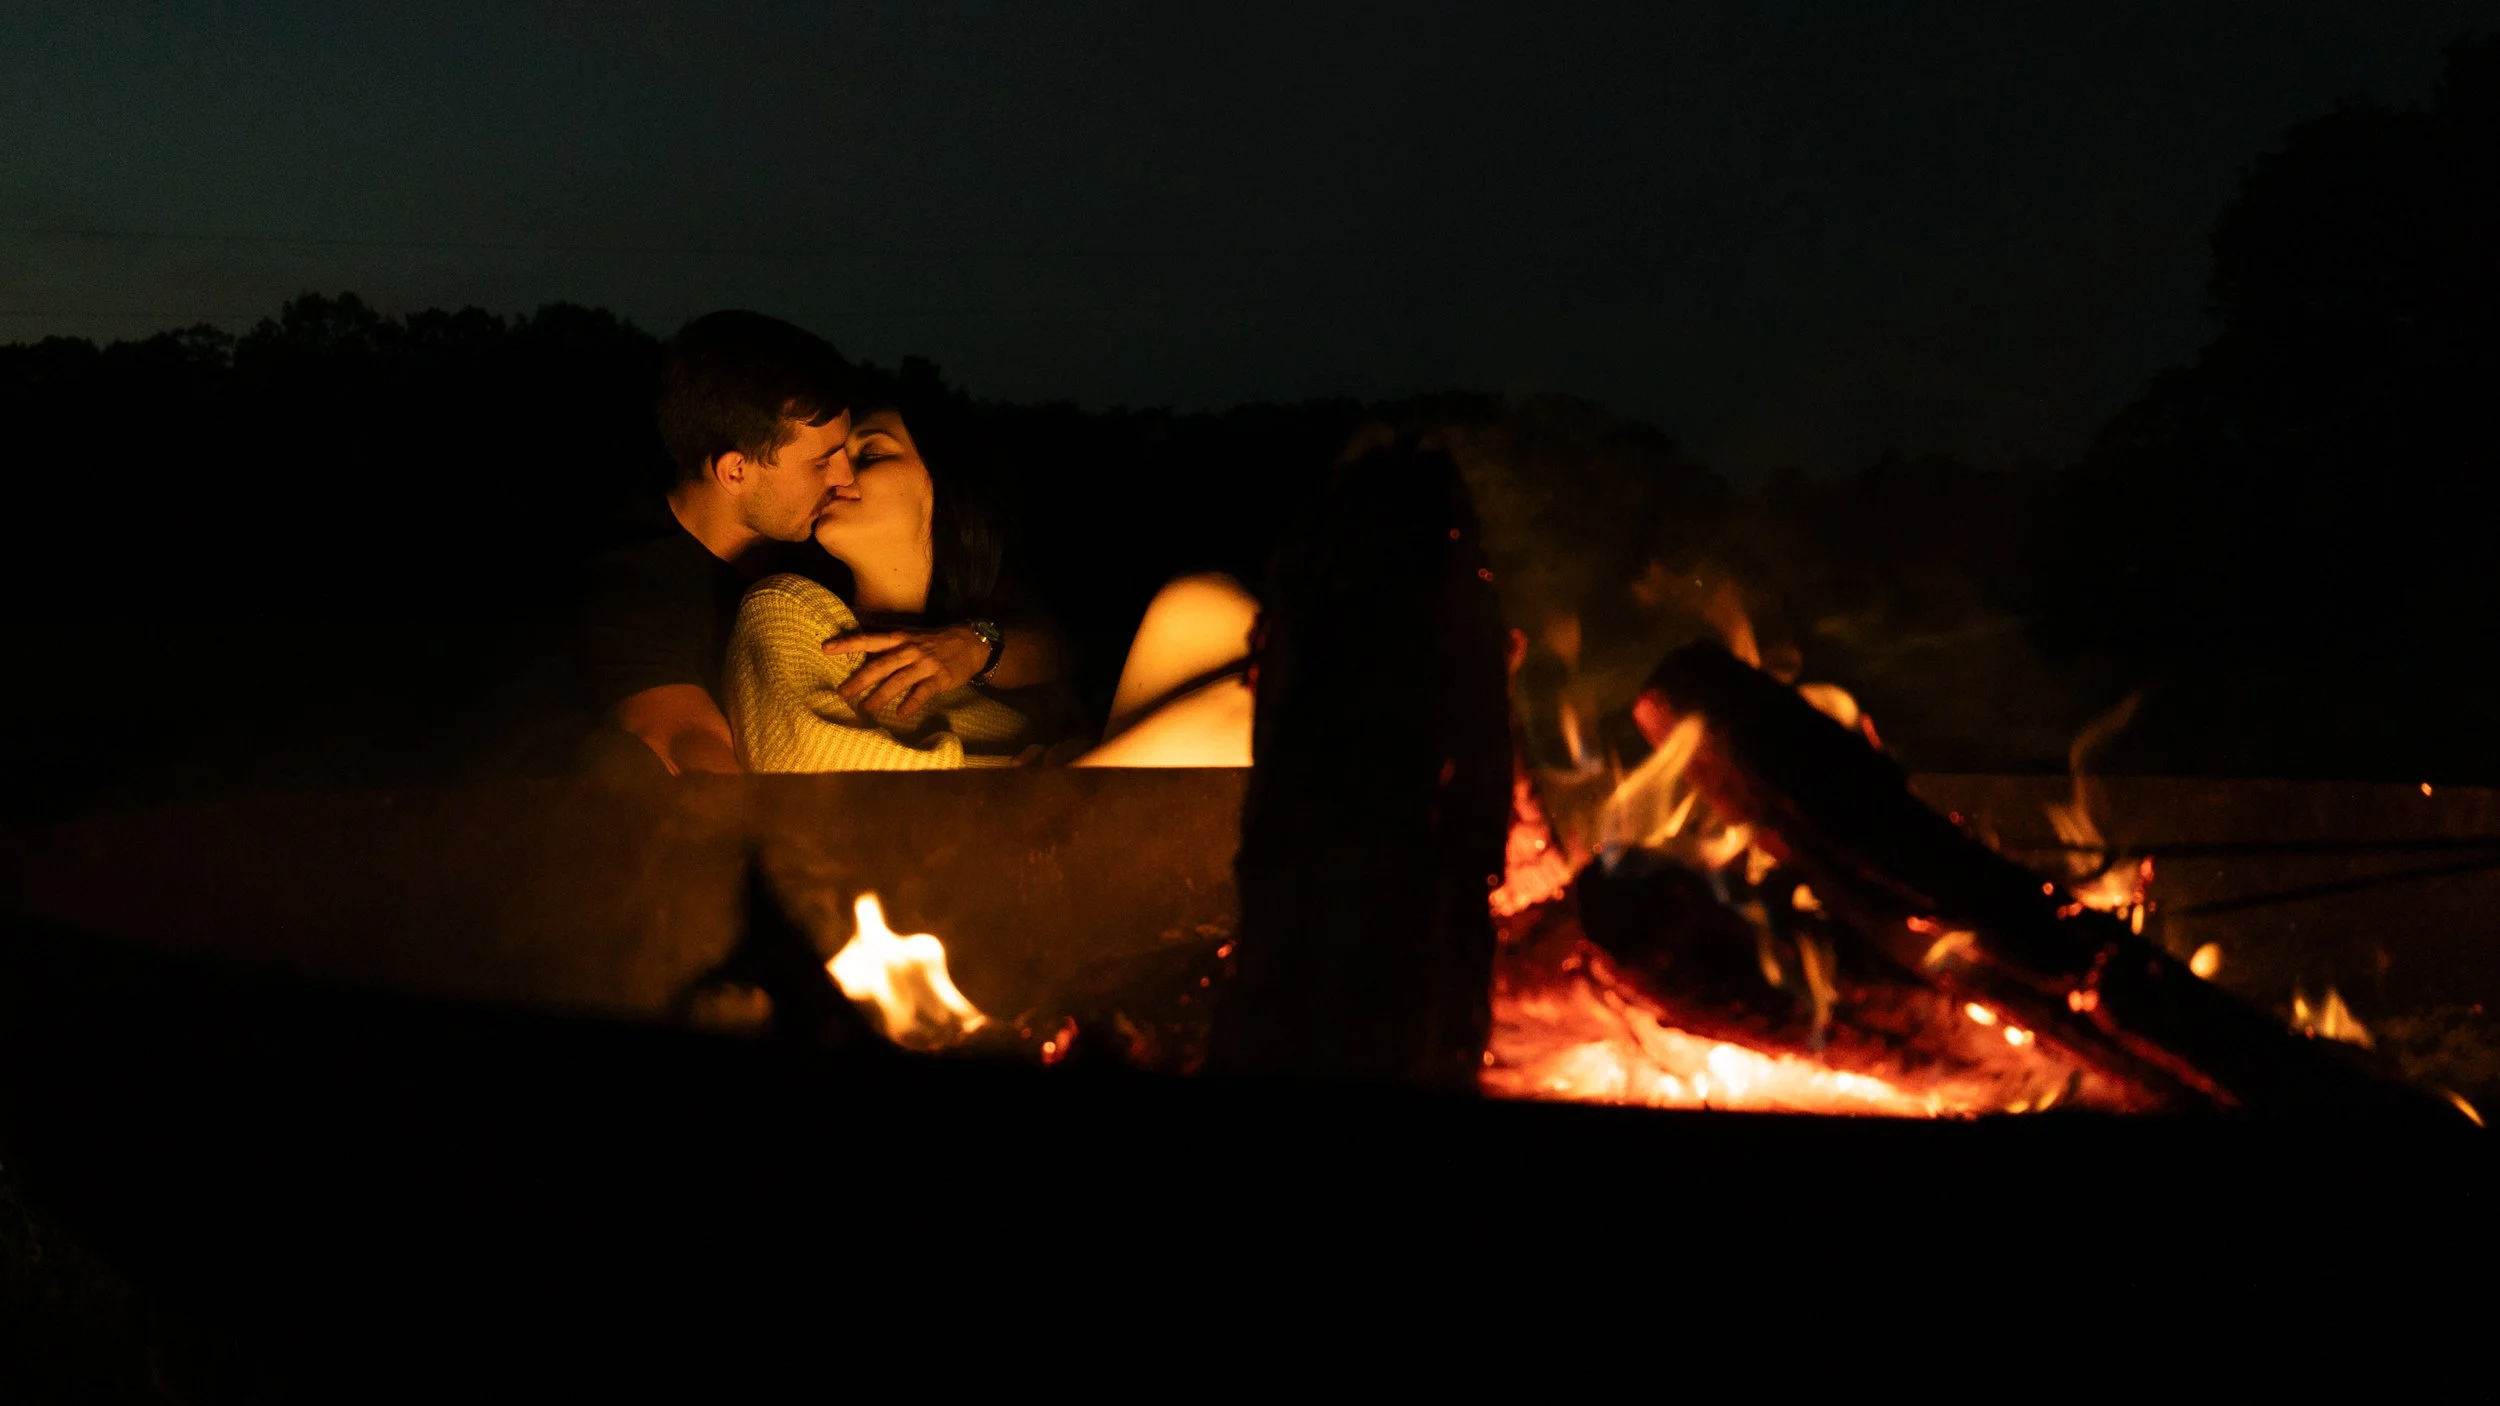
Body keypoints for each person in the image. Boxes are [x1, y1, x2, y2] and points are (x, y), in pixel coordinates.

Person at [724, 373, 1255, 771]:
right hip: (967, 853)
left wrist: (979, 645)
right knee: (1246, 711)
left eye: (872, 453)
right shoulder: (792, 610)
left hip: (1083, 823)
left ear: (948, 486)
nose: (839, 473)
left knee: (1206, 604)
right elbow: (813, 777)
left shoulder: (1010, 644)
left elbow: (1064, 665)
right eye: (835, 457)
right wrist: (1033, 777)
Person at [580, 311, 858, 775]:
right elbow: (687, 744)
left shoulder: (825, 538)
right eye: (821, 462)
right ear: (735, 471)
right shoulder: (631, 588)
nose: (846, 478)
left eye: (847, 451)